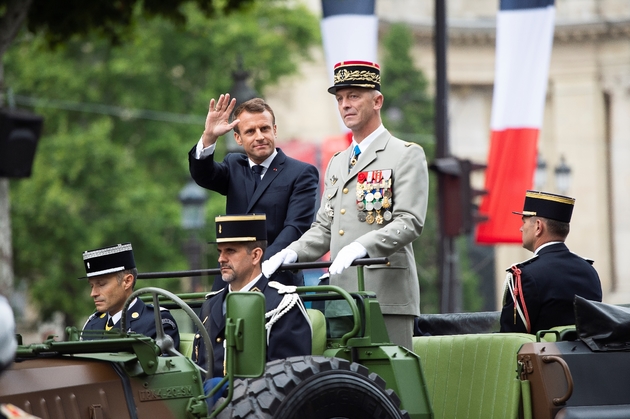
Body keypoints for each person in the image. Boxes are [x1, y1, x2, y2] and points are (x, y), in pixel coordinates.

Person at [263, 61, 429, 349]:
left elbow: (409, 221)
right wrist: (291, 252)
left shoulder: (404, 154)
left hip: (384, 295)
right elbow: (325, 226)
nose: (345, 105)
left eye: (354, 96)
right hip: (339, 296)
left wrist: (363, 246)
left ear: (377, 101)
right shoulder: (340, 162)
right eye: (340, 98)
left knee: (388, 383)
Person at [188, 96, 319, 287]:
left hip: (276, 276)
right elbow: (203, 175)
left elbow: (295, 228)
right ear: (238, 138)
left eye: (264, 128)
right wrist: (209, 136)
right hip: (231, 279)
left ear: (274, 130)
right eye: (250, 131)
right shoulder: (234, 164)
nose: (259, 136)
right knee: (206, 316)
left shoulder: (301, 173)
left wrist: (257, 267)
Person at [192, 214, 311, 380]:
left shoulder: (281, 305)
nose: (221, 259)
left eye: (230, 251)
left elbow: (288, 379)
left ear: (255, 256)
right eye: (220, 251)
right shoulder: (211, 305)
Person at [500, 190, 602, 334]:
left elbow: (511, 337)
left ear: (538, 227)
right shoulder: (589, 271)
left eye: (524, 222)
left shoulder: (525, 276)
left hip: (544, 356)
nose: (521, 228)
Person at [81, 243, 180, 352]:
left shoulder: (157, 322)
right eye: (91, 286)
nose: (93, 293)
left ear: (127, 281)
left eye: (101, 284)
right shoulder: (92, 324)